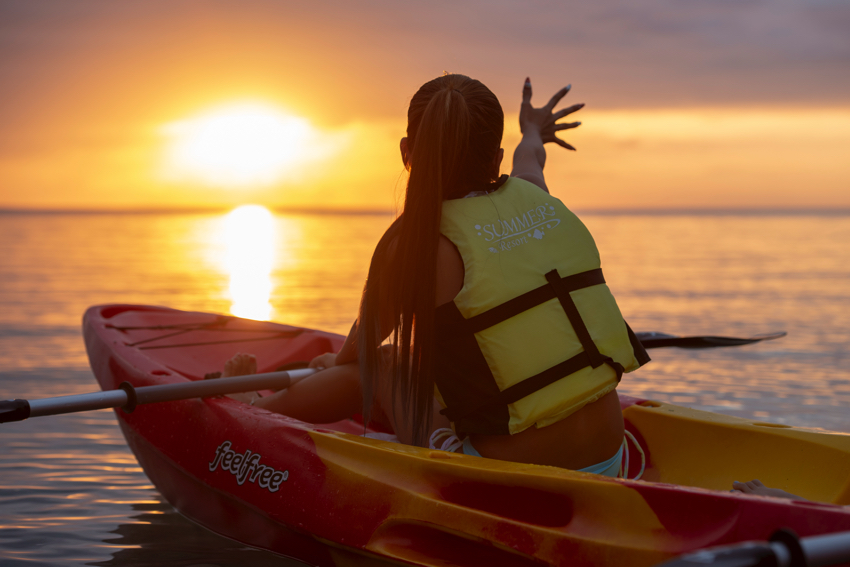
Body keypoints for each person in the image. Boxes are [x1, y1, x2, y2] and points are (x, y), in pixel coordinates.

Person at [225, 74, 650, 476]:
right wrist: (534, 128)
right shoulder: (534, 195)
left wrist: (326, 364)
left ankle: (254, 408)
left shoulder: (413, 245)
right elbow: (531, 154)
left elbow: (360, 358)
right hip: (610, 457)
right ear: (496, 158)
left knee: (389, 364)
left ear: (407, 153)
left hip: (508, 479)